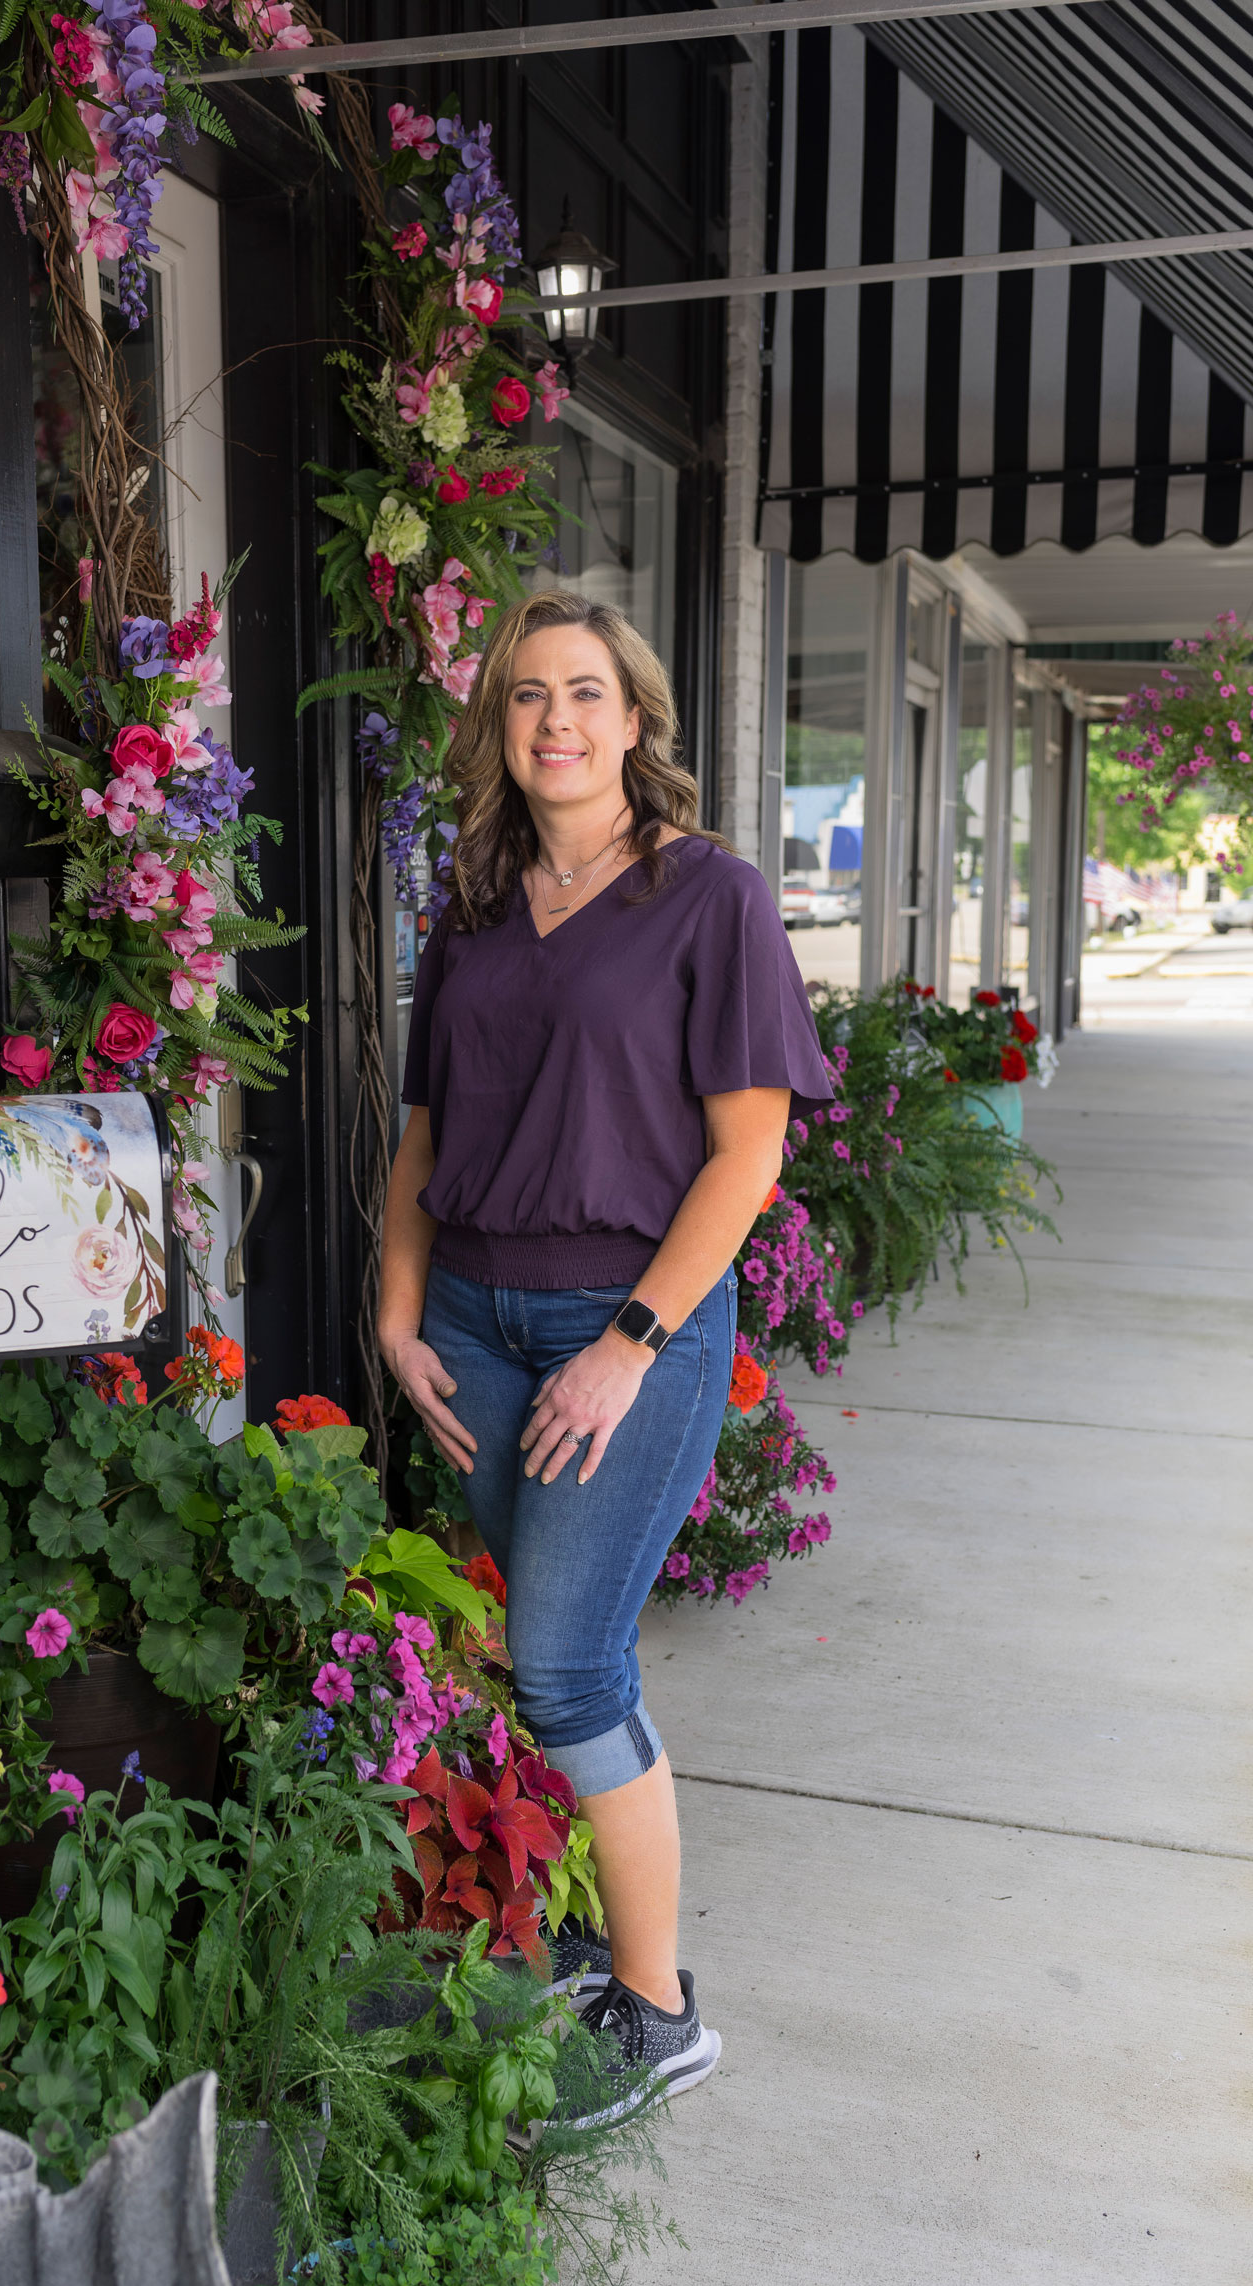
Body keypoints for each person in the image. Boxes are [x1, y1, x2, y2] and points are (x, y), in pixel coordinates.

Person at [377, 590, 831, 2119]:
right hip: (477, 1330)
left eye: (584, 693)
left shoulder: (712, 899)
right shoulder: (476, 904)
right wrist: (396, 1302)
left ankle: (655, 2012)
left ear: (636, 720)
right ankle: (620, 1960)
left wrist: (630, 1344)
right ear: (500, 729)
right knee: (557, 1656)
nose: (554, 721)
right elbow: (429, 1123)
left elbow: (746, 1155)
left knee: (569, 1669)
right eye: (525, 697)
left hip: (619, 1330)